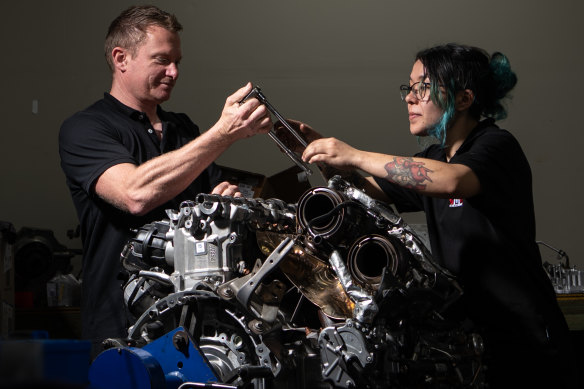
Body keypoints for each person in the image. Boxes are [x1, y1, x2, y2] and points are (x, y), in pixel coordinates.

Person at [279, 43, 578, 388]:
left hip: (526, 343)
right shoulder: (437, 156)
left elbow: (451, 181)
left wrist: (356, 154)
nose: (410, 98)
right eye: (409, 87)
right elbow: (367, 190)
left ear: (464, 99)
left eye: (423, 87)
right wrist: (324, 156)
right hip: (472, 345)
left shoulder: (495, 146)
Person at [58, 5, 271, 358]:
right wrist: (223, 134)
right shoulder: (85, 128)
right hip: (124, 327)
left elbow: (209, 202)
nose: (173, 72)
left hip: (196, 323)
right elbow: (134, 194)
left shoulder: (183, 130)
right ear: (121, 58)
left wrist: (225, 202)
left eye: (178, 62)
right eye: (161, 60)